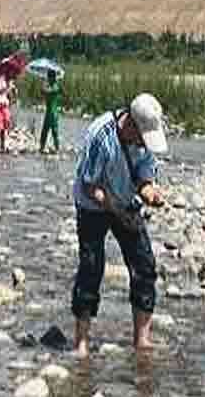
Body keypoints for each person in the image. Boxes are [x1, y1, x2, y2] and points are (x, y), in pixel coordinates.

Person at [71, 93, 168, 358]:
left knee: (144, 266)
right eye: (140, 137)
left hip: (127, 200)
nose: (143, 143)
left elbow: (145, 174)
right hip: (93, 203)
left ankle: (142, 340)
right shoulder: (100, 135)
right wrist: (115, 210)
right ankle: (81, 342)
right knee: (92, 266)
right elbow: (91, 186)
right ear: (130, 124)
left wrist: (150, 193)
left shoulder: (145, 133)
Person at [39, 70, 62, 153]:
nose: (48, 79)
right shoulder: (51, 86)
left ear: (52, 78)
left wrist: (43, 83)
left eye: (49, 77)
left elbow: (47, 92)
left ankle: (57, 148)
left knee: (54, 131)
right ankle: (42, 147)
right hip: (49, 112)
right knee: (44, 130)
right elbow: (43, 92)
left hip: (53, 113)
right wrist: (43, 84)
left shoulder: (56, 86)